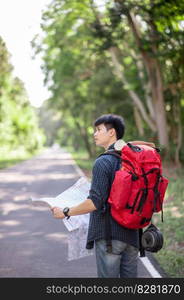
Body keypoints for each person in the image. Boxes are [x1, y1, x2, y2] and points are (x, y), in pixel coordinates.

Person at [51, 114, 139, 278]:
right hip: (133, 235)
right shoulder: (133, 160)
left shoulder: (103, 162)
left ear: (112, 132)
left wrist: (65, 211)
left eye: (98, 130)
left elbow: (95, 202)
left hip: (109, 237)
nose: (94, 134)